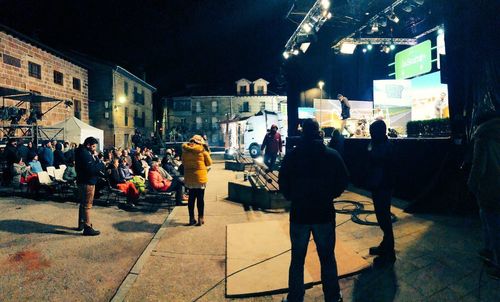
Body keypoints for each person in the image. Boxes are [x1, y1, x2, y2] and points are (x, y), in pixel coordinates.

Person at [279, 119, 348, 302]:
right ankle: (332, 297)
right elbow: (343, 180)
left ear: (303, 133)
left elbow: (283, 182)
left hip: (300, 214)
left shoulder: (292, 156)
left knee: (297, 259)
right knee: (327, 258)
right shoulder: (331, 155)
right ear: (318, 132)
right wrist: (330, 195)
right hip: (324, 213)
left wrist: (292, 197)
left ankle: (295, 297)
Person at [468, 114, 500, 279]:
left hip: (490, 186)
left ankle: (497, 263)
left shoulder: (482, 135)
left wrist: (472, 184)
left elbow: (478, 165)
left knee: (492, 224)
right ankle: (488, 250)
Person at [366, 120, 396, 266]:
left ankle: (389, 252)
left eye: (372, 132)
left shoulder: (384, 147)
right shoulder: (381, 144)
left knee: (384, 217)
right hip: (380, 185)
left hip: (382, 186)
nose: (371, 134)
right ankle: (386, 245)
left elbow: (374, 159)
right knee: (382, 217)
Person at [75, 137, 105, 236]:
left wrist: (95, 157)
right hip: (87, 182)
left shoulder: (82, 152)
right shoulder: (85, 154)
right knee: (87, 205)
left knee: (83, 203)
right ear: (88, 145)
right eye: (93, 146)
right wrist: (101, 163)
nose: (94, 149)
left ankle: (81, 225)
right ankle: (87, 227)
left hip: (82, 181)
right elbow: (91, 169)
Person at [182, 135, 212, 226]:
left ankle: (191, 219)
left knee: (191, 199)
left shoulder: (185, 151)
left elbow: (183, 163)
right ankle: (200, 218)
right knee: (200, 199)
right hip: (200, 178)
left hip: (189, 178)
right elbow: (209, 163)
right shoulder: (202, 150)